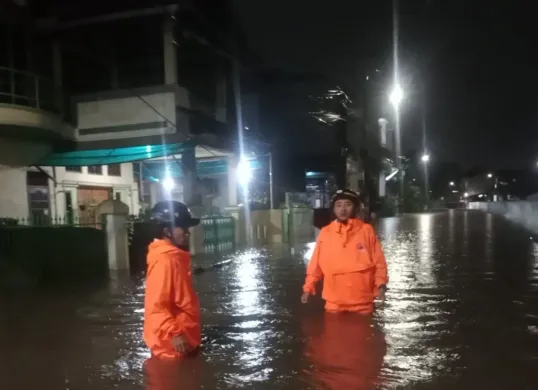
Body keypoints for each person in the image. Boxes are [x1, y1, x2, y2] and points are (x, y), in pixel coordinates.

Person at [301, 189, 388, 314]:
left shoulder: (366, 230)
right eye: (339, 205)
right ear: (334, 209)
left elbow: (379, 262)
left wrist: (381, 285)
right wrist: (308, 288)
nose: (343, 209)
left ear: (355, 208)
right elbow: (315, 265)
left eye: (348, 204)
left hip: (362, 301)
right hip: (334, 302)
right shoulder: (326, 232)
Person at [143, 201, 201, 360]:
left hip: (181, 341)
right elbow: (156, 304)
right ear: (167, 230)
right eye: (183, 227)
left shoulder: (173, 258)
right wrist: (174, 333)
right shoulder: (166, 260)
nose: (187, 232)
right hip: (173, 347)